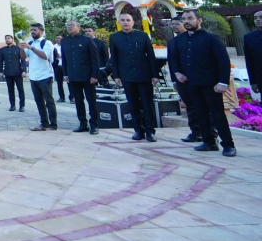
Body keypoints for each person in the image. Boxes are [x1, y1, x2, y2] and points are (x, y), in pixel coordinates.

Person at [169, 9, 236, 157]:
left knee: (217, 115)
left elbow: (223, 61)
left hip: (211, 85)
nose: (186, 21)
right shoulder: (179, 40)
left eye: (190, 18)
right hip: (191, 84)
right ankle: (209, 142)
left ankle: (228, 144)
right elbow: (175, 58)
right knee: (200, 113)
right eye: (184, 19)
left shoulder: (211, 38)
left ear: (199, 20)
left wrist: (223, 82)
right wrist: (177, 73)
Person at [109, 12, 159, 142]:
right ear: (119, 22)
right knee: (132, 104)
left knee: (147, 104)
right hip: (127, 75)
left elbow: (151, 56)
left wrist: (155, 75)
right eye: (123, 20)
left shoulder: (142, 36)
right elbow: (114, 58)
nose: (125, 22)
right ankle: (138, 130)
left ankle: (150, 131)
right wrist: (116, 76)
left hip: (144, 75)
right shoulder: (114, 37)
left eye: (128, 20)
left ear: (133, 22)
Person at [61, 20, 100, 134]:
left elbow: (95, 59)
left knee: (91, 100)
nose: (69, 27)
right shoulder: (65, 41)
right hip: (73, 76)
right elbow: (64, 59)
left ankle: (94, 124)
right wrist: (66, 74)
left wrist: (94, 75)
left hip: (87, 76)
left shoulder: (87, 40)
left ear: (78, 27)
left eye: (72, 25)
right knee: (78, 101)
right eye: (68, 25)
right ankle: (83, 123)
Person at [23, 23, 58, 131]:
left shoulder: (46, 43)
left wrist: (31, 48)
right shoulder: (30, 42)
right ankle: (44, 123)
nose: (32, 32)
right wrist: (21, 48)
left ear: (41, 31)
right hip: (33, 76)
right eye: (31, 30)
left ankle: (53, 124)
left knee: (49, 101)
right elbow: (23, 57)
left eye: (35, 30)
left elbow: (45, 56)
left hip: (45, 75)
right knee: (39, 102)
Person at [0, 34, 26, 112]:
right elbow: (1, 61)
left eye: (9, 38)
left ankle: (22, 106)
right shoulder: (3, 50)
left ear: (12, 39)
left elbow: (23, 60)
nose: (7, 40)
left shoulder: (18, 48)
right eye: (6, 38)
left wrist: (24, 71)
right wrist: (0, 71)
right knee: (10, 90)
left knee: (20, 90)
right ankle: (12, 105)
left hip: (18, 72)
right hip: (8, 73)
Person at [244, 10, 262, 96]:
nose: (257, 19)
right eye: (255, 18)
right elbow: (249, 61)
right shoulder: (249, 38)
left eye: (261, 17)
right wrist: (253, 82)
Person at [52, 35, 66, 102]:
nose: (58, 39)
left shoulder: (65, 45)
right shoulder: (53, 46)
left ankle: (72, 97)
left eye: (59, 38)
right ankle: (61, 97)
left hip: (65, 65)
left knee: (69, 82)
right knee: (59, 83)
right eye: (57, 38)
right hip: (57, 66)